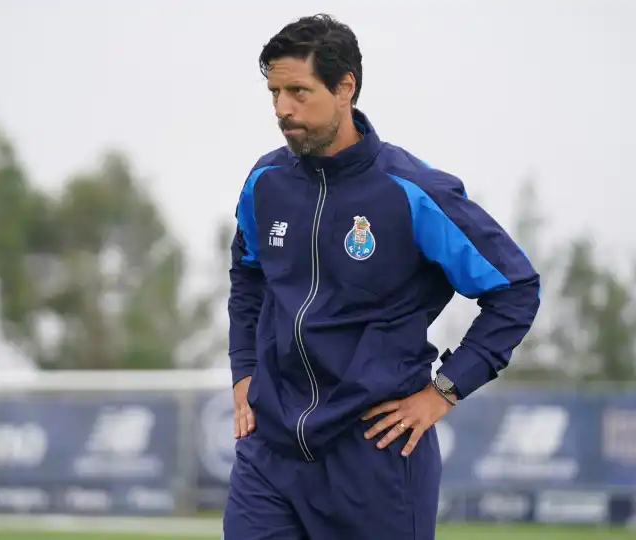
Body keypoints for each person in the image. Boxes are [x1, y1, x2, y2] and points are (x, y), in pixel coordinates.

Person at [225, 14, 541, 540]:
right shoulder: (265, 183)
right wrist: (244, 371)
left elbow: (515, 289)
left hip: (375, 455)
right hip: (271, 453)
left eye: (298, 92)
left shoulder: (411, 191)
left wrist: (443, 391)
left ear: (345, 86)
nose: (282, 109)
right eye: (275, 92)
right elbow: (248, 276)